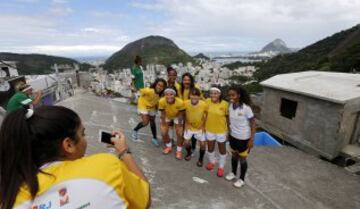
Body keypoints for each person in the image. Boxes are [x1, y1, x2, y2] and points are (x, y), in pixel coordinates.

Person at [0, 106, 150, 209]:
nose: (85, 139)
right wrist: (124, 152)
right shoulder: (106, 166)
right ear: (68, 145)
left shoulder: (8, 198)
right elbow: (145, 199)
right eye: (82, 134)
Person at [225, 85, 256, 188]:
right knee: (234, 156)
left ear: (239, 95)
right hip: (233, 136)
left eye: (233, 95)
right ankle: (233, 173)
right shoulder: (230, 105)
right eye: (229, 95)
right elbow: (229, 120)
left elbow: (253, 124)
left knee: (242, 159)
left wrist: (251, 140)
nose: (231, 97)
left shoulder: (246, 108)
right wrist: (229, 133)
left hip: (244, 138)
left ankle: (241, 179)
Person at [132, 78, 167, 146]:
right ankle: (135, 130)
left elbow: (157, 102)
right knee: (145, 122)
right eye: (158, 85)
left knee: (152, 121)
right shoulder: (149, 90)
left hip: (152, 106)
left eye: (162, 86)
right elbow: (138, 90)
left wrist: (157, 110)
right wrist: (133, 82)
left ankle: (154, 138)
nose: (160, 87)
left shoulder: (162, 94)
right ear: (155, 85)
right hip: (143, 105)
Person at [205, 86, 229, 177]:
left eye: (215, 93)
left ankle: (221, 167)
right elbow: (205, 114)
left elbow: (227, 117)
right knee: (210, 148)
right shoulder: (207, 101)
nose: (213, 95)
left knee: (222, 150)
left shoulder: (225, 104)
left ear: (219, 94)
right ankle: (212, 162)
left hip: (221, 131)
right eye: (211, 93)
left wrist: (229, 131)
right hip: (209, 129)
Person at [158, 87, 185, 159]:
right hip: (166, 115)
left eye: (171, 94)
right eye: (167, 94)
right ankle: (169, 146)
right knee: (163, 132)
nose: (169, 96)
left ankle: (179, 151)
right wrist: (163, 124)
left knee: (179, 133)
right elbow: (163, 114)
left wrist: (179, 125)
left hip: (177, 115)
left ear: (175, 95)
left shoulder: (180, 102)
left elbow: (180, 114)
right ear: (164, 95)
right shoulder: (161, 101)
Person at [178, 73, 203, 153]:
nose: (187, 81)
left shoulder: (195, 88)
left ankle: (193, 147)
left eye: (188, 80)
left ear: (191, 81)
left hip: (194, 112)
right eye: (185, 80)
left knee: (194, 130)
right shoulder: (180, 88)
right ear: (182, 81)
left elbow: (201, 98)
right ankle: (184, 145)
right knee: (185, 130)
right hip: (184, 112)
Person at [183, 88, 208, 166]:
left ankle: (200, 159)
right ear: (189, 95)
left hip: (200, 127)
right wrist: (186, 124)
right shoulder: (185, 103)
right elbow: (183, 114)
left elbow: (207, 115)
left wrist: (204, 125)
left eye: (196, 95)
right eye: (192, 95)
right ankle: (189, 153)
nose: (194, 97)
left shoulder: (204, 104)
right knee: (186, 143)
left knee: (203, 144)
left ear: (199, 96)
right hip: (189, 126)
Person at [166, 66, 181, 146]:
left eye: (174, 75)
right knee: (169, 125)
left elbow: (179, 98)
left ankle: (177, 142)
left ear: (176, 76)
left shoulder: (178, 86)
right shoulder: (164, 84)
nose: (172, 77)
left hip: (175, 109)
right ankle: (170, 139)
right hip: (166, 109)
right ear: (168, 75)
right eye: (170, 75)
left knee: (176, 125)